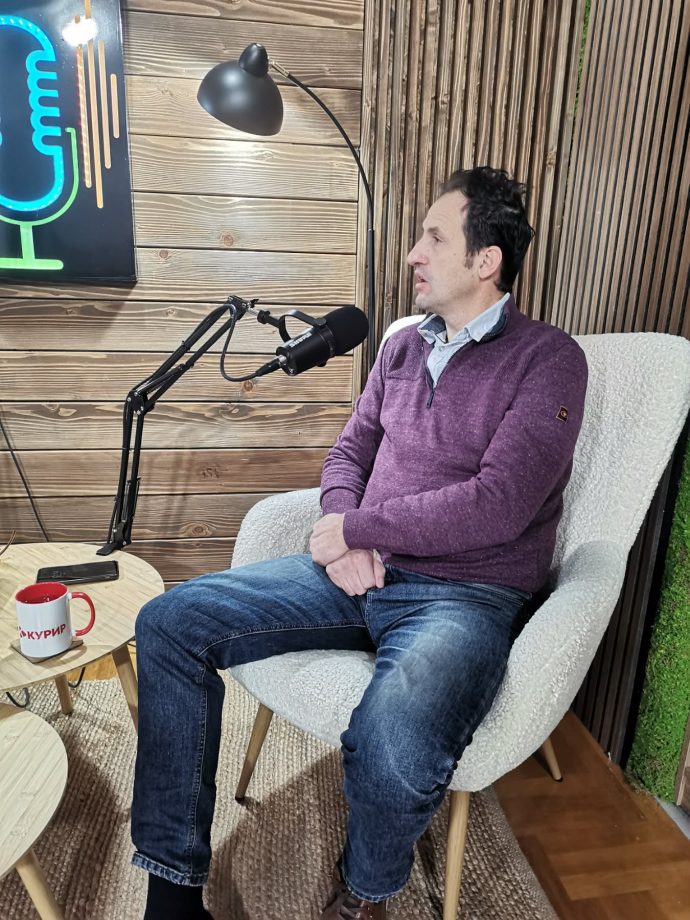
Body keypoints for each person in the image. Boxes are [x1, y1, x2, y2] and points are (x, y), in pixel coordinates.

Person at [131, 166, 588, 920]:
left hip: (463, 596)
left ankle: (363, 896)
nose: (413, 254)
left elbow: (500, 505)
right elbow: (350, 453)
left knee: (393, 741)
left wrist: (355, 527)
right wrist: (343, 534)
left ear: (486, 260)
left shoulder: (549, 359)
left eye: (433, 238)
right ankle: (172, 899)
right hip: (358, 571)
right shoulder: (403, 348)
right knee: (170, 621)